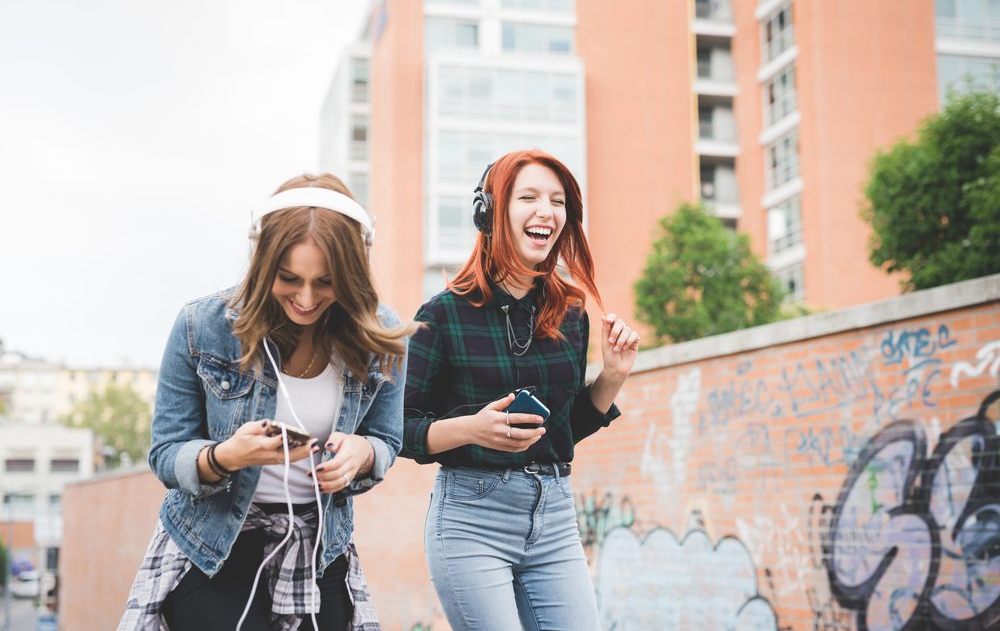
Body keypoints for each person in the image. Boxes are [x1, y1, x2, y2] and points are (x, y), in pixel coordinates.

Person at [119, 174, 415, 631]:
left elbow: (386, 440)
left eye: (326, 282)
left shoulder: (380, 334)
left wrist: (364, 454)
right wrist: (224, 457)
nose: (306, 298)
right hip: (214, 546)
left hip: (320, 548)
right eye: (289, 279)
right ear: (262, 259)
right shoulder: (203, 326)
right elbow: (165, 454)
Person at [401, 149, 640, 630]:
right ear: (490, 213)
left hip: (553, 514)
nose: (546, 211)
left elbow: (564, 428)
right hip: (471, 521)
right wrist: (472, 429)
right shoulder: (442, 315)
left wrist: (612, 375)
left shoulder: (571, 313)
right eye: (527, 196)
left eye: (557, 201)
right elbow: (398, 431)